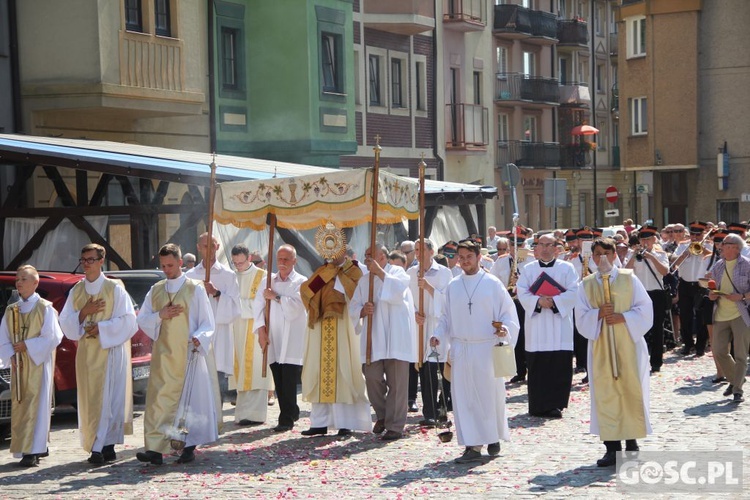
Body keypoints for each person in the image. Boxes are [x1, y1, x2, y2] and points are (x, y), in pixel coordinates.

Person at [430, 239, 519, 463]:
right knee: (464, 398)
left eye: (469, 257)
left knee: (488, 396)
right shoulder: (453, 286)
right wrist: (438, 335)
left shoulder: (492, 284)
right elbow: (445, 318)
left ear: (479, 257)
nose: (465, 262)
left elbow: (508, 313)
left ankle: (493, 437)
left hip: (486, 347)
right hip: (461, 348)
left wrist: (505, 330)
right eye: (461, 257)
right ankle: (472, 444)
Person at [136, 244, 218, 465]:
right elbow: (142, 319)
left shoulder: (195, 288)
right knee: (158, 401)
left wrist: (200, 336)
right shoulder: (156, 290)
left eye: (170, 265)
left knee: (187, 402)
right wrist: (160, 315)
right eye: (163, 265)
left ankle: (188, 446)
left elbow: (207, 322)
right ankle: (155, 449)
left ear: (180, 263)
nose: (166, 269)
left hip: (187, 353)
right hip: (164, 355)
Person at [575, 238, 653, 467]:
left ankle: (631, 443)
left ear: (613, 255)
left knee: (629, 389)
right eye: (596, 254)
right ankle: (611, 447)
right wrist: (597, 314)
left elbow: (645, 309)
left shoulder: (629, 279)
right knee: (605, 393)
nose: (601, 258)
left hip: (627, 342)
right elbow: (580, 316)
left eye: (605, 253)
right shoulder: (587, 284)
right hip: (600, 344)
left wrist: (624, 317)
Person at [59, 244, 138, 465]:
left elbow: (129, 320)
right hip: (86, 354)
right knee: (90, 400)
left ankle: (102, 446)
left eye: (90, 259)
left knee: (108, 400)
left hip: (110, 351)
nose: (86, 264)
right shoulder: (77, 290)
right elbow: (65, 321)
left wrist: (101, 328)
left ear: (101, 261)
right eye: (83, 259)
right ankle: (100, 444)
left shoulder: (114, 288)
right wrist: (84, 312)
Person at [299, 226, 371, 436]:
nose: (331, 253)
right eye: (327, 249)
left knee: (342, 371)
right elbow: (306, 292)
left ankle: (344, 422)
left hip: (344, 325)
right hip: (321, 327)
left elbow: (358, 295)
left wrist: (339, 284)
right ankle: (319, 423)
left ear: (343, 250)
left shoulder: (354, 271)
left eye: (335, 248)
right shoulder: (322, 272)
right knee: (319, 371)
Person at [350, 244, 416, 441]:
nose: (366, 259)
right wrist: (362, 311)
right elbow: (353, 306)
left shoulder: (398, 272)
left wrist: (378, 273)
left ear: (382, 257)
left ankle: (395, 425)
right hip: (374, 337)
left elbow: (397, 293)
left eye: (370, 256)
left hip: (396, 336)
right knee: (372, 377)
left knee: (397, 382)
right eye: (365, 256)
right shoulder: (364, 281)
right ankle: (383, 415)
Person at [0, 266, 63, 467]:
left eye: (24, 279)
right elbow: (3, 337)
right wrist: (11, 353)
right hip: (18, 364)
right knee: (20, 404)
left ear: (35, 283)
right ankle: (28, 446)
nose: (19, 282)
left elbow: (53, 336)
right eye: (17, 279)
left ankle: (33, 450)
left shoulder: (45, 308)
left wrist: (27, 345)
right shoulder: (12, 310)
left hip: (38, 363)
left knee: (37, 404)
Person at [516, 233, 580, 418]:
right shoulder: (528, 269)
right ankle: (538, 405)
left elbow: (574, 291)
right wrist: (538, 301)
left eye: (548, 244)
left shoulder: (567, 268)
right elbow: (521, 291)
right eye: (541, 244)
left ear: (556, 247)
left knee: (559, 364)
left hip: (560, 324)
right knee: (538, 366)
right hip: (537, 325)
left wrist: (554, 301)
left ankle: (556, 404)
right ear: (535, 248)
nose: (544, 248)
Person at [252, 244, 308, 433]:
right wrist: (261, 330)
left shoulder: (301, 281)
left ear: (294, 261)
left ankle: (286, 418)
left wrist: (276, 297)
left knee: (289, 376)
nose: (282, 263)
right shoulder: (268, 280)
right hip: (273, 334)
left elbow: (297, 307)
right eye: (279, 259)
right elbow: (257, 306)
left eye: (286, 259)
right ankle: (292, 410)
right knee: (277, 375)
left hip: (292, 336)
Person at [186, 232, 241, 404]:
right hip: (197, 332)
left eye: (213, 245)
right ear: (198, 248)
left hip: (219, 332)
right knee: (197, 375)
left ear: (217, 247)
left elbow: (235, 308)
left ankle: (217, 416)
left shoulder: (228, 275)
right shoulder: (190, 276)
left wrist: (216, 293)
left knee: (216, 377)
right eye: (205, 246)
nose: (209, 250)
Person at [410, 238, 453, 428]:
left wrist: (427, 287)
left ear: (431, 251)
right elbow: (407, 298)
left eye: (421, 249)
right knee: (425, 370)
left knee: (440, 368)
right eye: (415, 250)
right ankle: (429, 411)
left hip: (437, 325)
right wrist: (414, 314)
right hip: (420, 325)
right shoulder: (411, 272)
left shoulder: (444, 273)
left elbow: (447, 300)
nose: (417, 253)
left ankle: (442, 408)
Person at [229, 244, 273, 426]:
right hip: (237, 329)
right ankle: (242, 413)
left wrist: (237, 305)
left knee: (257, 370)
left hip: (257, 329)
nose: (238, 266)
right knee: (241, 373)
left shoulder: (262, 276)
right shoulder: (231, 277)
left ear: (249, 258)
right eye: (235, 263)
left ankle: (256, 414)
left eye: (241, 262)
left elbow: (260, 305)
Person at [706, 233, 750, 403]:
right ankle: (736, 379)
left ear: (735, 247)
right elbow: (714, 288)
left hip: (741, 314)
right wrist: (712, 294)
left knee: (740, 354)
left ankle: (737, 390)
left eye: (724, 243)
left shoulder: (746, 265)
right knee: (718, 351)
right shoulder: (718, 266)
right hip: (721, 314)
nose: (721, 246)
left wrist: (742, 297)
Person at [624, 225, 669, 373]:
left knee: (657, 328)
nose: (645, 242)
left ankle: (656, 362)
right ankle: (639, 360)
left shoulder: (661, 254)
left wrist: (652, 257)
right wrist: (633, 256)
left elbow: (665, 271)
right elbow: (626, 272)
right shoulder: (633, 254)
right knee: (638, 327)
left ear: (654, 240)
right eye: (643, 239)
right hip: (639, 294)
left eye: (648, 239)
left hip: (656, 294)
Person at [672, 221, 712, 356]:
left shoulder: (709, 245)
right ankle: (688, 344)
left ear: (703, 234)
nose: (695, 237)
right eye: (693, 234)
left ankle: (701, 345)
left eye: (698, 235)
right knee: (685, 315)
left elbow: (713, 258)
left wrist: (702, 249)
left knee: (701, 316)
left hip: (701, 285)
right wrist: (684, 254)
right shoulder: (683, 245)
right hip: (685, 283)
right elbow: (674, 263)